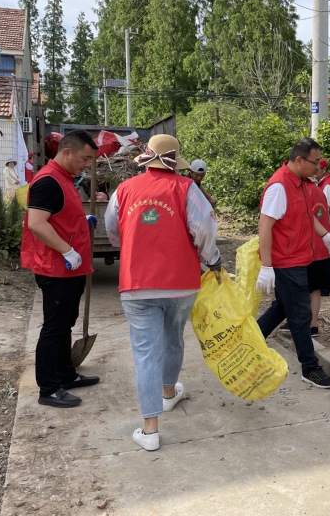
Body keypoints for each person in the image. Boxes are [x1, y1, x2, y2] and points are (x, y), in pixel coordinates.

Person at [105, 135, 222, 452]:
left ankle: (150, 430)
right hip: (180, 282)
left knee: (146, 354)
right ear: (175, 162)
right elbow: (204, 229)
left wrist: (128, 244)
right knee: (173, 337)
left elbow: (112, 227)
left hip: (137, 282)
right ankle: (168, 393)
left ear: (147, 158)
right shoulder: (187, 189)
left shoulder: (124, 190)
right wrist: (211, 259)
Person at [20, 130, 100, 408]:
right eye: (84, 158)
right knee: (54, 327)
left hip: (71, 269)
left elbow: (58, 216)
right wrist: (67, 250)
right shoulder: (48, 181)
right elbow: (36, 223)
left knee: (66, 322)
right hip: (56, 268)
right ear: (66, 152)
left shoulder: (64, 178)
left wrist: (81, 220)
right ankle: (49, 388)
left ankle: (66, 374)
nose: (86, 165)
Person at [256, 137, 330, 389]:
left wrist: (324, 235)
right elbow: (265, 226)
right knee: (301, 314)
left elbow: (306, 216)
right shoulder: (279, 187)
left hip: (298, 258)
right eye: (315, 162)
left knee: (283, 307)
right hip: (286, 261)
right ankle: (309, 367)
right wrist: (267, 266)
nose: (318, 166)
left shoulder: (302, 183)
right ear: (299, 160)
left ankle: (248, 342)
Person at [307, 161, 330, 337]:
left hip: (312, 245)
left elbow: (317, 215)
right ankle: (311, 324)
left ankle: (309, 324)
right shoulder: (318, 188)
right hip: (319, 242)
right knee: (314, 287)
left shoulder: (318, 189)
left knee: (311, 287)